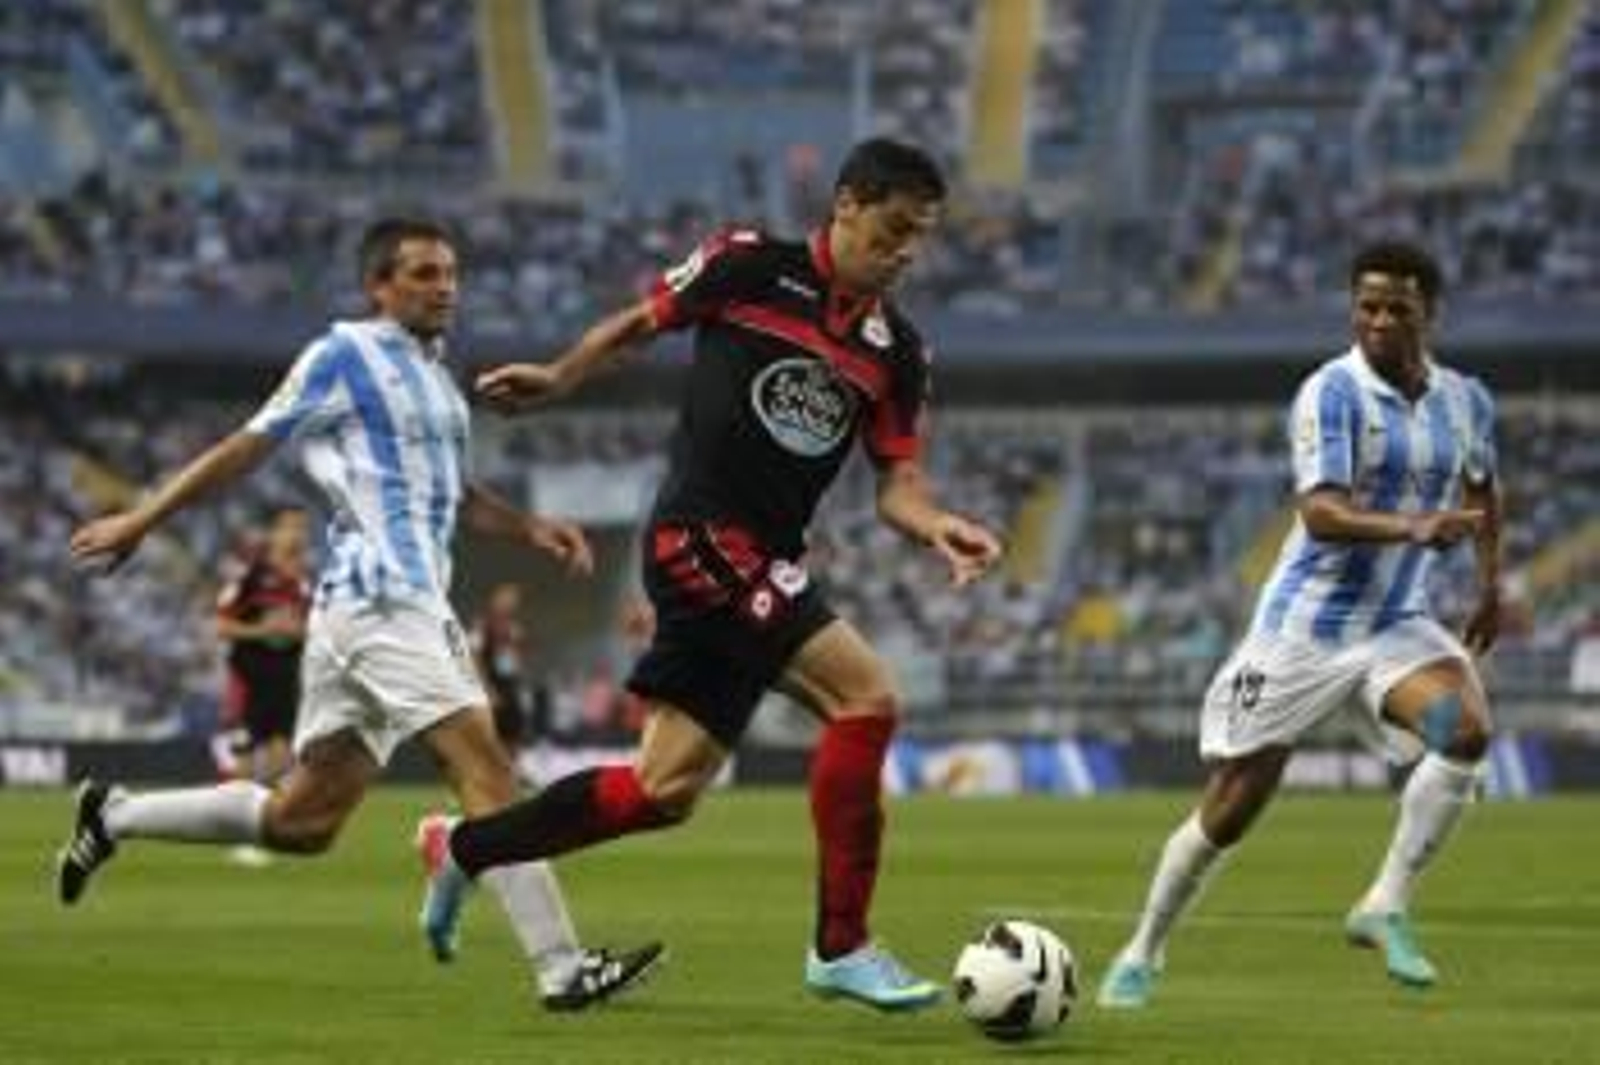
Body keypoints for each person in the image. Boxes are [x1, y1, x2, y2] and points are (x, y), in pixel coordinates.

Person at [419, 137, 1005, 1012]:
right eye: (891, 230)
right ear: (845, 204)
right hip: (700, 536)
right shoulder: (748, 267)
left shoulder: (899, 353)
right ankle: (841, 944)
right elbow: (637, 323)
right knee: (867, 697)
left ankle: (468, 847)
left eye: (918, 238)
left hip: (765, 558)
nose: (904, 253)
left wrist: (938, 528)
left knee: (664, 790)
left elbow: (898, 487)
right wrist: (558, 375)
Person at [60, 217, 661, 1011]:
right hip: (387, 603)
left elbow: (452, 495)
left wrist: (529, 527)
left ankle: (118, 813)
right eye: (421, 273)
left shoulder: (437, 378)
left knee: (303, 821)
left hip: (365, 611)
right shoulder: (344, 353)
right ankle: (561, 965)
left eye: (449, 272)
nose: (443, 285)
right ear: (378, 286)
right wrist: (142, 517)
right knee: (487, 769)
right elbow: (248, 444)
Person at [1097, 240, 1502, 1008]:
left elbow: (1486, 490)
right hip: (1303, 635)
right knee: (1234, 802)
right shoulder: (1331, 392)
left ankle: (1383, 904)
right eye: (1367, 306)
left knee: (1468, 730)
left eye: (1397, 308)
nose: (1379, 320)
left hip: (1395, 626)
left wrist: (1490, 584)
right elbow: (1319, 512)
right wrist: (1414, 527)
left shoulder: (1467, 402)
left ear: (1431, 313)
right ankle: (1143, 949)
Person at [213, 505, 312, 866]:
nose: (297, 535)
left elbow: (310, 629)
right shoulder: (250, 576)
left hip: (285, 676)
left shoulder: (303, 582)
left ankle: (265, 829)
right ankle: (240, 837)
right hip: (249, 677)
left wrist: (298, 631)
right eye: (289, 527)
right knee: (245, 756)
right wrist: (263, 630)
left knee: (282, 757)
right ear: (273, 533)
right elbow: (221, 626)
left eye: (302, 528)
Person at [471, 581, 534, 756]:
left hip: (511, 687)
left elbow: (519, 660)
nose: (509, 603)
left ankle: (511, 775)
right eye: (505, 598)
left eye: (513, 599)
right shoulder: (482, 624)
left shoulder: (515, 627)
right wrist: (487, 689)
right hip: (492, 687)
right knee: (491, 737)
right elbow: (474, 658)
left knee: (514, 734)